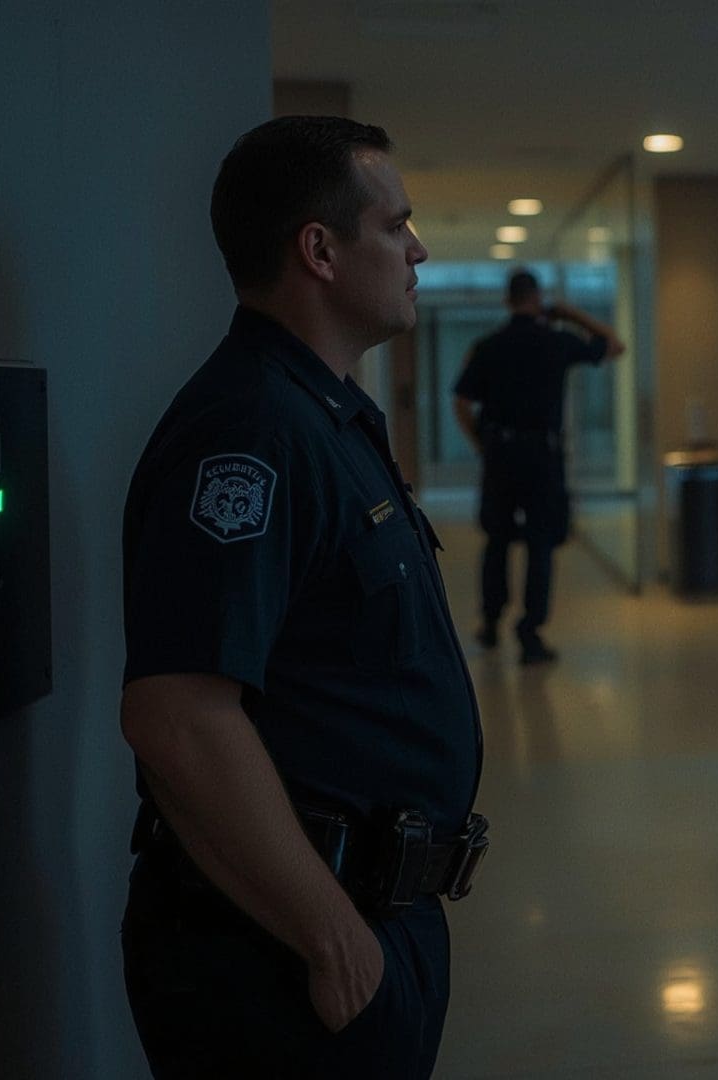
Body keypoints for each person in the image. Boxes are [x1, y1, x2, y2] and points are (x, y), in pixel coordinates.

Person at [117, 116, 487, 1080]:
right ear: (319, 251)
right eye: (395, 226)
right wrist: (331, 937)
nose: (417, 250)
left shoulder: (324, 417)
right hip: (282, 949)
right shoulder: (252, 430)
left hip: (359, 916)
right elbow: (178, 716)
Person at [451, 270, 625, 665]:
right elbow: (615, 345)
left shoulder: (488, 346)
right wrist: (570, 314)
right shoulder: (556, 341)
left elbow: (461, 403)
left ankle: (491, 621)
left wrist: (482, 444)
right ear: (538, 298)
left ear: (507, 300)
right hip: (543, 456)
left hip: (500, 453)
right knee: (540, 543)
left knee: (497, 539)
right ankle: (530, 633)